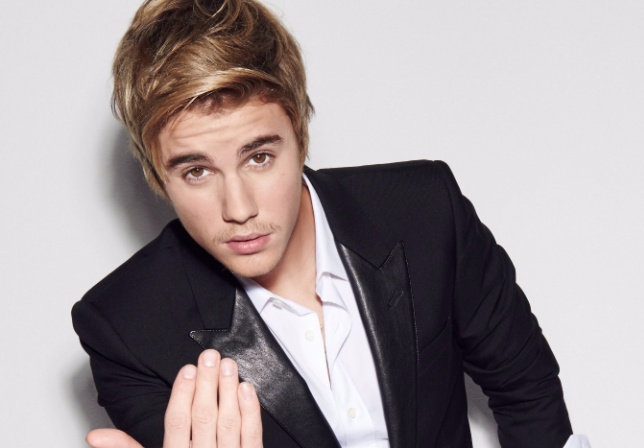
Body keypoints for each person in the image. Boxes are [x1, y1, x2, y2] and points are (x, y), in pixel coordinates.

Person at [72, 0, 588, 447]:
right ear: (157, 176)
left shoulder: (426, 211)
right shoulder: (125, 329)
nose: (239, 208)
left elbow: (527, 390)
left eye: (259, 157)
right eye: (197, 171)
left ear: (300, 135)